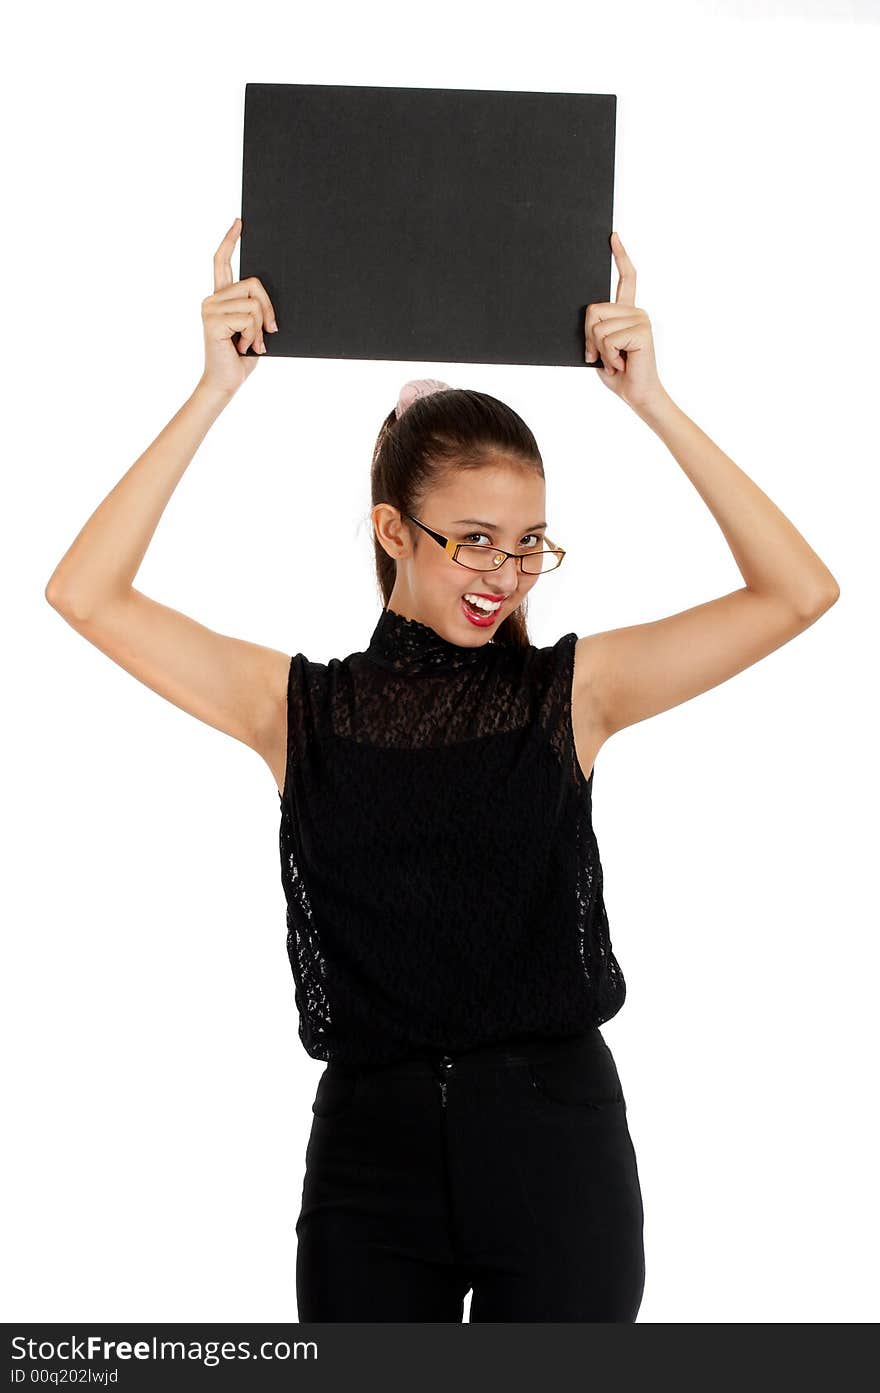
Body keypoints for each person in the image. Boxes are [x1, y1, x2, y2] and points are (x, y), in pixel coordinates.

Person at [45, 218, 840, 1322]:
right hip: (369, 1166)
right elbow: (83, 594)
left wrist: (651, 400)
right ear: (392, 529)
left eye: (528, 543)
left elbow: (797, 593)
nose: (506, 574)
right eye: (473, 539)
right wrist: (211, 393)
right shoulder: (299, 711)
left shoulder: (570, 695)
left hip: (556, 1150)